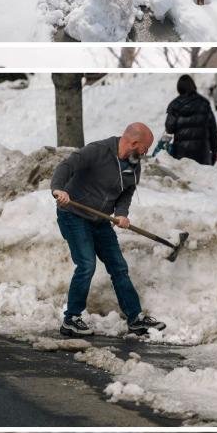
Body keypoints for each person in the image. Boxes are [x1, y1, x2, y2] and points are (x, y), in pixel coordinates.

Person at [51, 122, 166, 337]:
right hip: (73, 215)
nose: (145, 153)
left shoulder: (134, 164)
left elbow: (127, 192)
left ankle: (135, 319)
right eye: (144, 147)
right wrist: (58, 189)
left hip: (100, 221)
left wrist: (121, 213)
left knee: (118, 267)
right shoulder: (98, 151)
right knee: (86, 264)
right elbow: (66, 166)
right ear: (133, 143)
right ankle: (71, 319)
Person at [163, 75, 217, 166]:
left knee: (184, 178)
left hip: (181, 154)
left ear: (179, 88)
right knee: (203, 178)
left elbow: (169, 128)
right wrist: (215, 150)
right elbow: (213, 130)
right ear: (193, 86)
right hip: (202, 153)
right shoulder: (204, 103)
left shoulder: (174, 105)